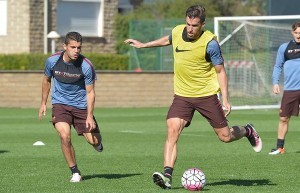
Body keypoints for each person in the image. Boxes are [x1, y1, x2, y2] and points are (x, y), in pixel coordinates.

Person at [124, 5, 262, 189]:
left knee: (225, 137)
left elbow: (221, 72)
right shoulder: (178, 31)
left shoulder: (210, 43)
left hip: (206, 96)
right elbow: (168, 39)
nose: (190, 28)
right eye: (188, 24)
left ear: (202, 24)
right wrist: (144, 45)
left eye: (194, 25)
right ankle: (167, 176)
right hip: (182, 95)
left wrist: (226, 98)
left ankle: (248, 130)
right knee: (172, 128)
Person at [38, 31, 103, 182]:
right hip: (61, 105)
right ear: (65, 46)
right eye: (73, 47)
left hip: (81, 107)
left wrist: (88, 115)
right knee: (64, 135)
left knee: (94, 141)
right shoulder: (52, 61)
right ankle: (75, 172)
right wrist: (43, 103)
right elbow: (46, 80)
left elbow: (91, 92)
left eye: (79, 48)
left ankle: (98, 143)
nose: (76, 51)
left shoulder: (86, 66)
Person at [269, 22, 300, 155]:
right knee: (283, 118)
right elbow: (277, 66)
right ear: (292, 32)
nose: (299, 35)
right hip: (290, 89)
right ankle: (279, 147)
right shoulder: (285, 47)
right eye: (296, 33)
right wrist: (275, 82)